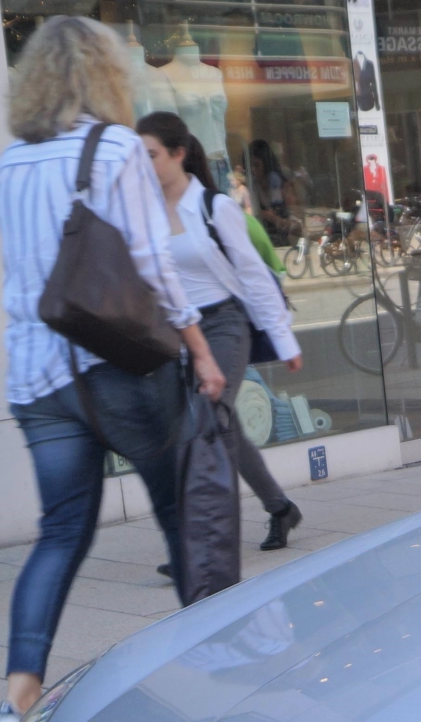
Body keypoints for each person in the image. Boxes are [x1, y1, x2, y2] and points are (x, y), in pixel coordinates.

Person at [0, 16, 221, 722]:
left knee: (60, 532)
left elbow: (27, 272)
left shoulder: (11, 161)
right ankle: (217, 676)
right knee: (182, 512)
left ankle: (16, 697)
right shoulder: (117, 148)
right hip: (115, 367)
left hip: (37, 377)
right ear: (104, 74)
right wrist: (199, 347)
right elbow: (152, 263)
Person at [135, 111, 306, 554]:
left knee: (206, 425)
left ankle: (202, 541)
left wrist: (283, 339)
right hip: (176, 334)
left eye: (150, 154)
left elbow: (253, 276)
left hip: (225, 324)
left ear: (177, 154)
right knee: (220, 427)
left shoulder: (215, 206)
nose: (143, 162)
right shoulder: (143, 210)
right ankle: (280, 507)